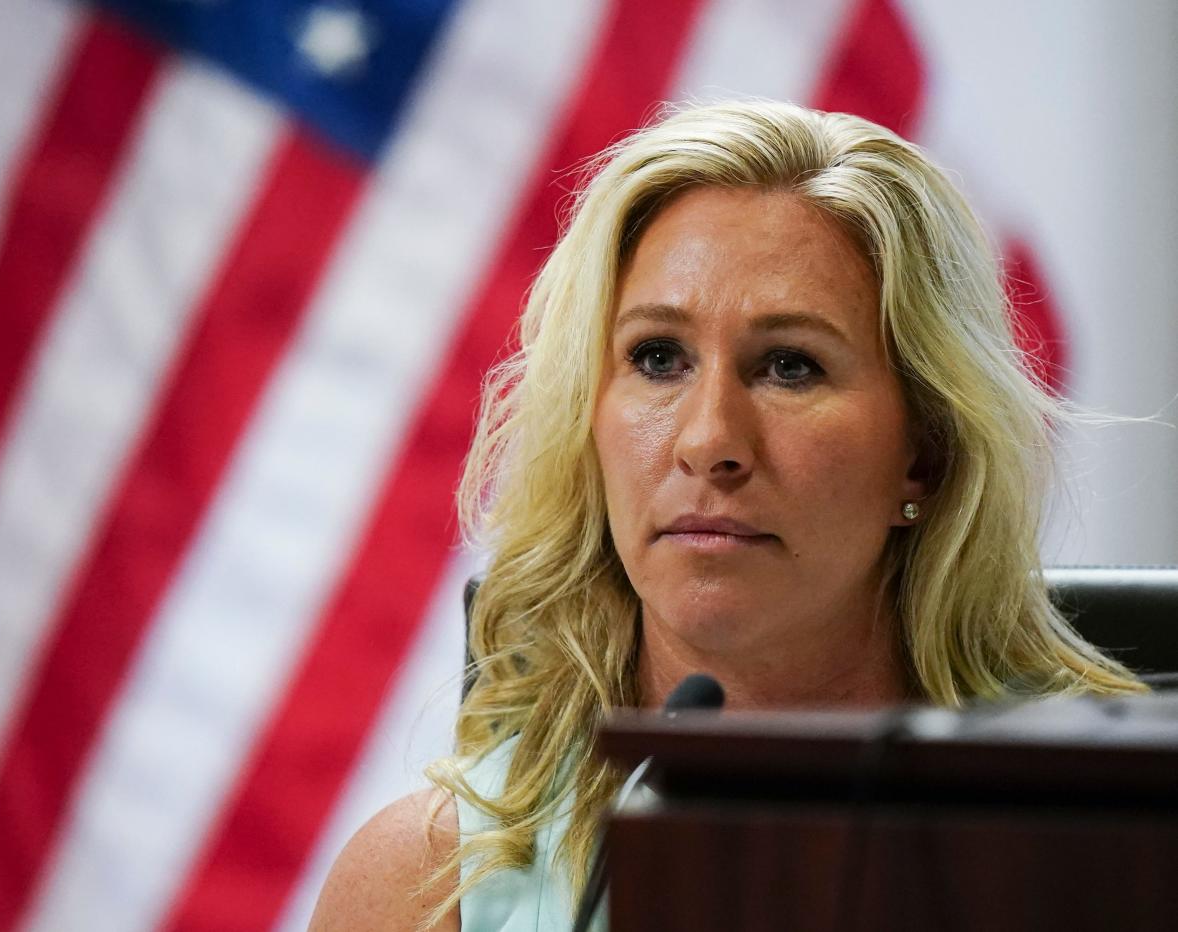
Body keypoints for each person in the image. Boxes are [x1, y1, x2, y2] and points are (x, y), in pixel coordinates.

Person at [308, 99, 1144, 931]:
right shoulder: (426, 886)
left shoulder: (1118, 858)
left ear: (925, 453)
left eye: (789, 366)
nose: (709, 440)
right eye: (657, 357)